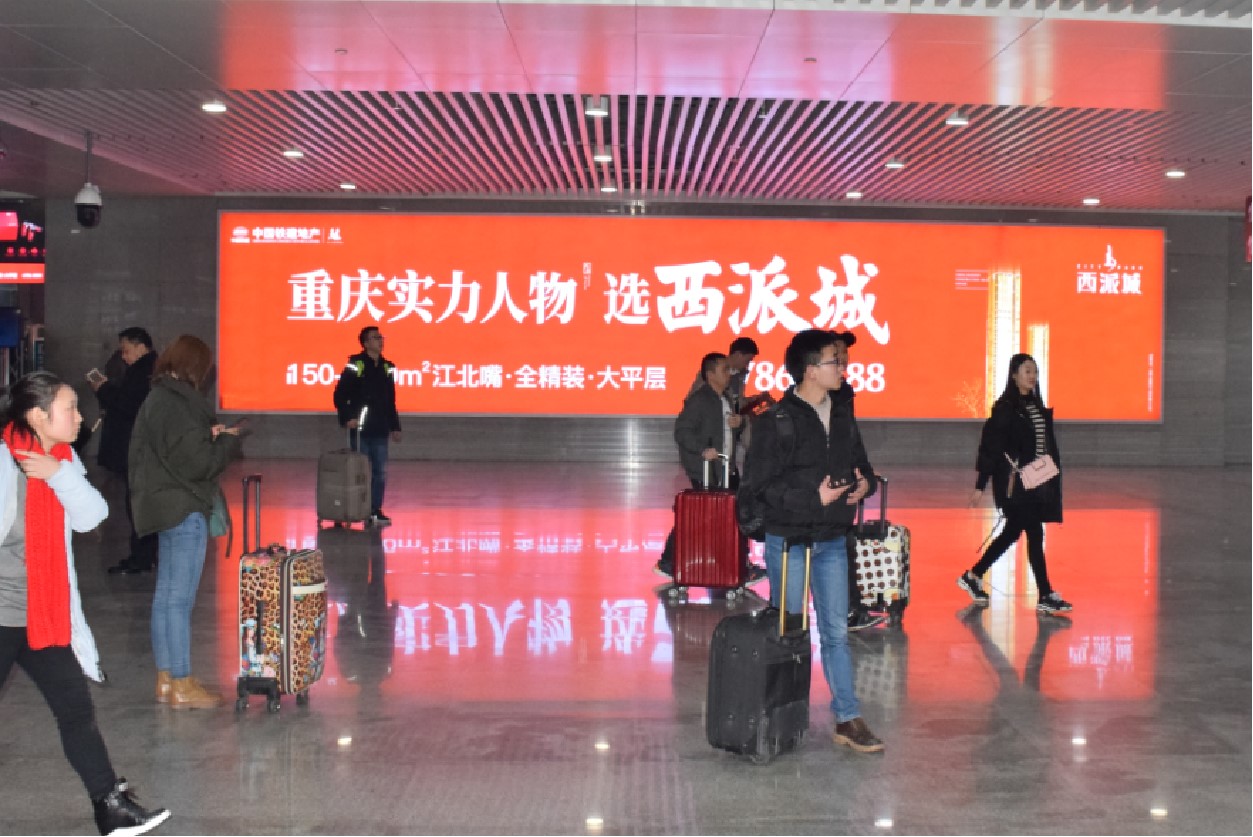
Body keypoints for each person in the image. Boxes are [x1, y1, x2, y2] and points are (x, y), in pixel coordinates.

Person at [0, 371, 170, 835]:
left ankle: (111, 807)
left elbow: (92, 515)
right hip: (2, 616)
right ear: (38, 416)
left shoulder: (61, 458)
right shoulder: (4, 462)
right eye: (70, 408)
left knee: (75, 709)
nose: (80, 417)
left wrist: (57, 476)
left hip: (42, 615)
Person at [738, 329, 884, 754]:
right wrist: (811, 499)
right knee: (789, 630)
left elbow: (862, 465)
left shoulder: (842, 415)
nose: (843, 368)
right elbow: (758, 488)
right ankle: (780, 716)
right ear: (810, 371)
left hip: (832, 539)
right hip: (789, 542)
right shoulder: (776, 421)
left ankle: (848, 717)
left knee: (836, 632)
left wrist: (865, 484)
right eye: (834, 362)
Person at [129, 335, 243, 709]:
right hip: (184, 507)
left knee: (165, 597)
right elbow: (198, 464)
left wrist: (206, 436)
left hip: (162, 505)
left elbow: (173, 450)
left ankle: (165, 677)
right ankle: (182, 682)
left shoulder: (159, 397)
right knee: (179, 600)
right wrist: (226, 442)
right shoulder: (181, 403)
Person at [958, 353, 1072, 614]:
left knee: (1012, 533)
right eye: (1027, 371)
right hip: (1013, 484)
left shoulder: (1035, 404)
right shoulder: (1006, 408)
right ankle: (1045, 593)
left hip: (1035, 481)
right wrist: (980, 485)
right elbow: (990, 447)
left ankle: (973, 576)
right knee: (1034, 532)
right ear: (1014, 375)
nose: (1032, 376)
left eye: (1035, 371)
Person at [656, 352, 763, 582]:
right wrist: (702, 449)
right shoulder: (700, 400)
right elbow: (682, 431)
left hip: (724, 467)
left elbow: (725, 431)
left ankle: (736, 562)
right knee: (705, 515)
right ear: (711, 374)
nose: (729, 374)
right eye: (724, 370)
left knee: (725, 514)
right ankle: (670, 561)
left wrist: (738, 423)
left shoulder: (724, 398)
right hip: (706, 469)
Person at [828, 331, 887, 633]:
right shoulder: (802, 403)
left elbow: (852, 438)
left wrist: (865, 474)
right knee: (833, 550)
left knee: (842, 547)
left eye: (845, 354)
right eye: (836, 354)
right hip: (820, 492)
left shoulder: (844, 392)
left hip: (842, 486)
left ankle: (851, 609)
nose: (843, 359)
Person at [90, 327, 158, 575]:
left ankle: (142, 557)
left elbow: (128, 405)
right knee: (136, 504)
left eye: (126, 350)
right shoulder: (144, 370)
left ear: (141, 347)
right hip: (135, 448)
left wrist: (103, 390)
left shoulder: (143, 372)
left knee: (137, 505)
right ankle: (143, 555)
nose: (124, 356)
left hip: (134, 447)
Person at [333, 326, 401, 527]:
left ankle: (374, 510)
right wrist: (347, 418)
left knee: (380, 472)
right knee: (358, 473)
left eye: (381, 337)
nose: (380, 341)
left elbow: (390, 400)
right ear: (365, 343)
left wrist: (395, 426)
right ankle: (353, 509)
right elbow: (340, 394)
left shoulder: (387, 367)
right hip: (361, 429)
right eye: (375, 338)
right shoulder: (357, 364)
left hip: (380, 428)